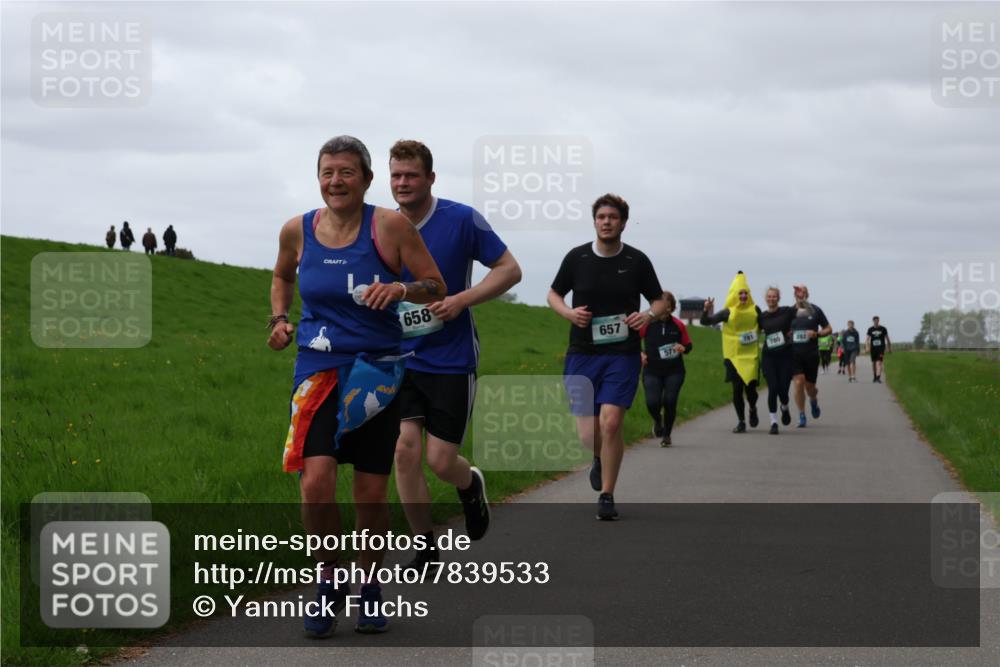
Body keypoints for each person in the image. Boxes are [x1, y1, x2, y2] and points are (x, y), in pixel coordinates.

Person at [268, 136, 444, 638]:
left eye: (346, 172)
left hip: (375, 374)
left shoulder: (389, 227)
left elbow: (436, 285)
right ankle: (329, 578)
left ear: (366, 179)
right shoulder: (297, 230)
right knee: (315, 482)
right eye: (327, 172)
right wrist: (279, 319)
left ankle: (368, 585)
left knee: (369, 493)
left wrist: (402, 288)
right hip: (318, 371)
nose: (335, 181)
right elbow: (281, 276)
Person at [387, 140, 522, 572]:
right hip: (399, 359)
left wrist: (462, 300)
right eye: (396, 175)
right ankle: (425, 548)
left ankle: (469, 484)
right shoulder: (380, 226)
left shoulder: (462, 219)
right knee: (404, 450)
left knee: (440, 461)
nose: (403, 183)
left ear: (430, 178)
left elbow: (510, 270)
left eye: (411, 175)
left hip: (450, 357)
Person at [547, 193, 666, 521]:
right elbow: (553, 294)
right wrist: (569, 313)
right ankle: (598, 458)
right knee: (589, 435)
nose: (607, 222)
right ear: (594, 221)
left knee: (611, 423)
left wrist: (647, 315)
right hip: (582, 353)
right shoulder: (577, 257)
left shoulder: (637, 261)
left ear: (623, 223)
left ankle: (607, 495)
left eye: (613, 217)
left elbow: (659, 300)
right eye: (601, 217)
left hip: (622, 353)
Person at [700, 272, 761, 434]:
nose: (743, 296)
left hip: (750, 356)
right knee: (737, 389)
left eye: (745, 293)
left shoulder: (755, 310)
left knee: (751, 391)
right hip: (733, 357)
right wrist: (706, 310)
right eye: (740, 293)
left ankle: (753, 408)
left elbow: (766, 324)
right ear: (734, 295)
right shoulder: (727, 312)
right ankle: (741, 421)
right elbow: (705, 322)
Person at [640, 291, 692, 447]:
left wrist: (683, 348)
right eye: (661, 306)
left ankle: (667, 435)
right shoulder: (647, 324)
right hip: (652, 370)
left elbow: (688, 345)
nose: (664, 309)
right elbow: (633, 340)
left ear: (672, 308)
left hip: (674, 370)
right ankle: (658, 420)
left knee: (670, 401)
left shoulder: (678, 325)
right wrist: (640, 353)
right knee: (652, 402)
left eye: (668, 306)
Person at [789, 285, 832, 427]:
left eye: (803, 292)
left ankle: (813, 400)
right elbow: (783, 330)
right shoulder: (790, 312)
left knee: (810, 388)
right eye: (797, 292)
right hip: (794, 354)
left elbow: (828, 329)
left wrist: (817, 334)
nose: (800, 294)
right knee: (798, 382)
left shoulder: (815, 310)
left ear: (807, 294)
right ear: (794, 295)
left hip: (811, 355)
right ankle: (801, 414)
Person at [757, 286, 796, 435]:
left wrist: (800, 297)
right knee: (773, 388)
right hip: (769, 356)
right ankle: (773, 422)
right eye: (769, 296)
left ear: (778, 298)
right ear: (766, 298)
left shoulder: (786, 311)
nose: (771, 299)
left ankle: (784, 407)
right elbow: (753, 330)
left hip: (785, 356)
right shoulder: (762, 317)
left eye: (774, 296)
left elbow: (802, 308)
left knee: (783, 391)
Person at [866, 316, 892, 383]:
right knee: (874, 363)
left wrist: (889, 347)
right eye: (875, 321)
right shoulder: (870, 329)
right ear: (873, 321)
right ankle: (875, 376)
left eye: (877, 320)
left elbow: (887, 338)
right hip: (873, 348)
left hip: (881, 348)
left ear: (879, 321)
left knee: (879, 362)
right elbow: (867, 339)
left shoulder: (883, 329)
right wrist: (867, 347)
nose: (876, 322)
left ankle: (878, 377)